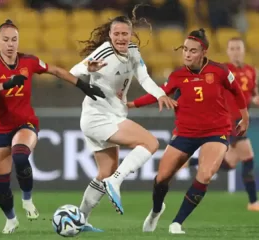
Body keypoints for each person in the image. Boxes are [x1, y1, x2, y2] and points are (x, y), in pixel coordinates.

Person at [0, 19, 105, 234]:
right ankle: (11, 220)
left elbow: (55, 70)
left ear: (18, 41)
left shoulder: (29, 61)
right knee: (1, 186)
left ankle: (27, 199)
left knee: (20, 155)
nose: (10, 44)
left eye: (14, 39)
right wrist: (8, 84)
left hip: (25, 123)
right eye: (6, 39)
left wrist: (83, 85)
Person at [127, 28, 249, 234]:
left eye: (193, 51)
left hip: (216, 131)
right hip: (185, 132)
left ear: (203, 53)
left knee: (205, 174)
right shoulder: (177, 75)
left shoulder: (219, 71)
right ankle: (157, 210)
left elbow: (236, 91)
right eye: (185, 49)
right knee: (161, 179)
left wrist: (245, 117)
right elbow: (158, 93)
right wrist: (132, 104)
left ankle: (177, 223)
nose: (187, 54)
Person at [69, 6, 177, 232]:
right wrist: (88, 68)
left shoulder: (134, 51)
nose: (120, 38)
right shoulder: (104, 52)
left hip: (106, 115)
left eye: (124, 34)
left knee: (104, 172)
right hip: (99, 116)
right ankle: (116, 181)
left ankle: (80, 220)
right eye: (116, 34)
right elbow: (75, 71)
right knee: (150, 143)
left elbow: (144, 78)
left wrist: (160, 94)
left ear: (130, 34)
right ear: (109, 35)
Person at [188, 37, 259, 212]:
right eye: (232, 48)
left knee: (229, 163)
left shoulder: (250, 70)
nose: (235, 51)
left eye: (238, 48)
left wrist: (258, 99)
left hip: (240, 120)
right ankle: (253, 202)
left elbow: (252, 92)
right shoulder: (223, 70)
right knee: (248, 156)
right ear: (228, 51)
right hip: (228, 120)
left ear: (243, 50)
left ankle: (189, 161)